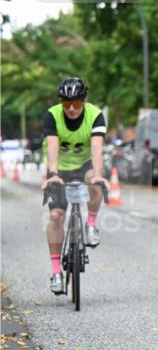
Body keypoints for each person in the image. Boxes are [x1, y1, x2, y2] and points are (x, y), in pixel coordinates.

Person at [39, 77, 108, 294]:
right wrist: (53, 173)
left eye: (76, 103)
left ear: (85, 100)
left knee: (95, 181)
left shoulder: (95, 115)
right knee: (57, 216)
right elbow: (52, 146)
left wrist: (97, 175)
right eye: (66, 103)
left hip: (85, 164)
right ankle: (56, 271)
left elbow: (97, 147)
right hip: (59, 166)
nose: (71, 108)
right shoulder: (52, 115)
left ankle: (90, 225)